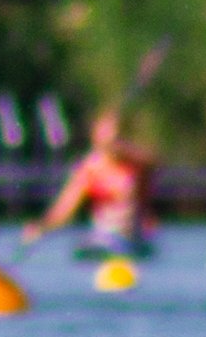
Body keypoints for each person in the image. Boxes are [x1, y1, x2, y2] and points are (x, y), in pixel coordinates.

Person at [22, 108, 155, 255]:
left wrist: (124, 149)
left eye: (116, 136)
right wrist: (41, 226)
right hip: (104, 238)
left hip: (135, 238)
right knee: (89, 247)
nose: (111, 142)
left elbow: (155, 160)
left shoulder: (137, 163)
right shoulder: (89, 169)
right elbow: (63, 211)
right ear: (95, 136)